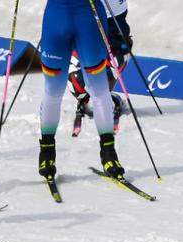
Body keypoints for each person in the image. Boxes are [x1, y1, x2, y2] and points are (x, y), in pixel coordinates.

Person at [38, 0, 126, 183]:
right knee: (53, 90)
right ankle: (47, 152)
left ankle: (109, 153)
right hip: (57, 18)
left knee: (99, 89)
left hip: (89, 18)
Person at [68, 0, 131, 136]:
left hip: (112, 19)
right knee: (77, 82)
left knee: (110, 66)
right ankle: (85, 99)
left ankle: (106, 97)